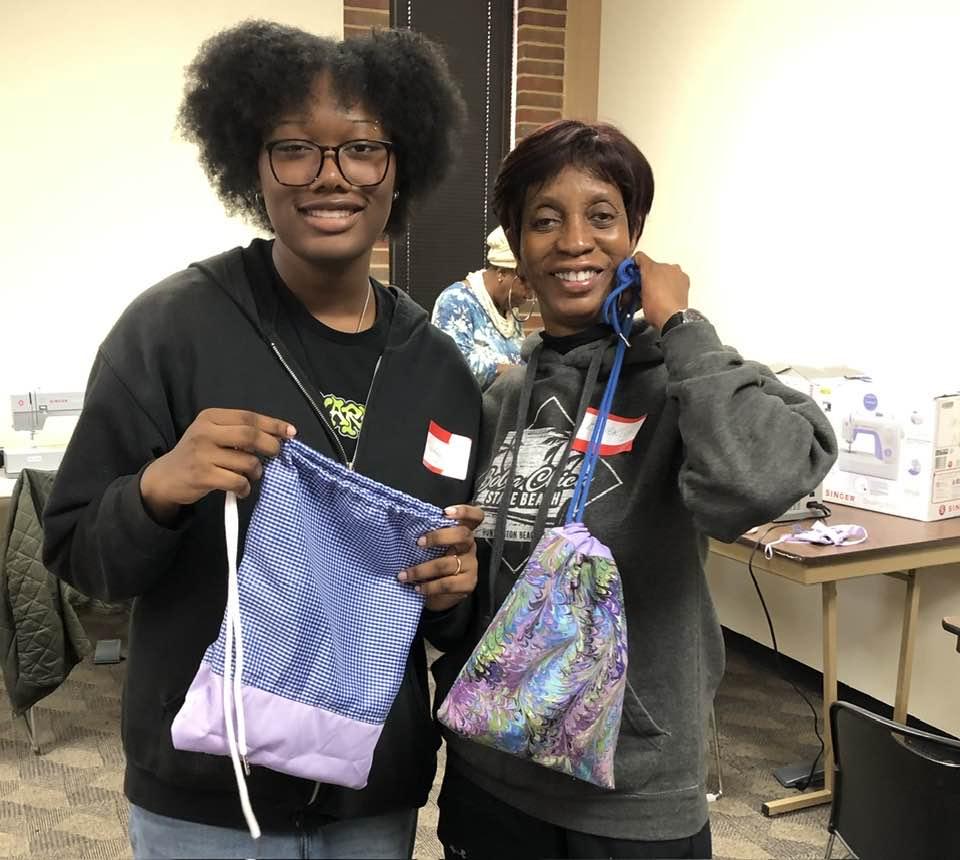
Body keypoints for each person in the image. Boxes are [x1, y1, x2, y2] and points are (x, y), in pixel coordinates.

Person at [42, 21, 485, 860]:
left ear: (400, 170)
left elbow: (458, 604)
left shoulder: (441, 373)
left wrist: (458, 586)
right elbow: (77, 557)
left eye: (361, 149)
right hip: (204, 806)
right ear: (253, 165)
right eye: (295, 149)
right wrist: (157, 491)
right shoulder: (171, 330)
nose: (330, 177)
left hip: (373, 802)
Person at [432, 119, 838, 859]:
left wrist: (679, 323)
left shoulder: (684, 384)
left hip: (632, 795)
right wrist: (451, 598)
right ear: (517, 246)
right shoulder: (498, 401)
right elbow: (483, 587)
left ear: (635, 234)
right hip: (491, 772)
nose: (574, 240)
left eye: (602, 216)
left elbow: (756, 482)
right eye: (544, 221)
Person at [432, 226, 533, 389]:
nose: (529, 294)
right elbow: (453, 366)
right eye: (525, 282)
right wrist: (517, 373)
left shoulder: (509, 311)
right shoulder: (456, 301)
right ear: (501, 273)